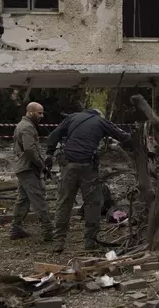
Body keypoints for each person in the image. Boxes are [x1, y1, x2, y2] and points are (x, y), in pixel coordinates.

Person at [46, 108, 131, 252]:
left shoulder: (72, 117)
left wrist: (49, 153)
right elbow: (123, 136)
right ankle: (90, 242)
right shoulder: (101, 121)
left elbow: (54, 135)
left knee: (64, 202)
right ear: (98, 115)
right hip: (88, 167)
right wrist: (136, 147)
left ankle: (58, 242)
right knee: (93, 203)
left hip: (68, 165)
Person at [10, 102, 53, 241]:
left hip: (24, 168)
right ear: (30, 112)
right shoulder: (28, 127)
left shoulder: (22, 125)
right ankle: (48, 231)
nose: (42, 115)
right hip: (28, 169)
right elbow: (30, 149)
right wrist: (42, 165)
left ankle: (15, 229)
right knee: (38, 199)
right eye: (39, 113)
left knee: (23, 200)